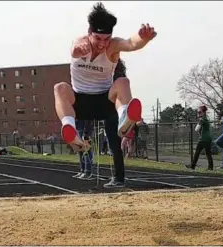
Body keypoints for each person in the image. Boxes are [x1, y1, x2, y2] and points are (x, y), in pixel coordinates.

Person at [53, 2, 157, 188]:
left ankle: (125, 118)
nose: (102, 44)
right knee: (60, 87)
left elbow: (131, 43)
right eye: (98, 39)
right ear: (89, 32)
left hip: (105, 100)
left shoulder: (113, 46)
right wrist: (79, 51)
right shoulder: (80, 42)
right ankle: (69, 129)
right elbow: (74, 50)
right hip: (80, 101)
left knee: (122, 82)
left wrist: (144, 38)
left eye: (106, 39)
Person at [186, 106, 214, 170]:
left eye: (199, 112)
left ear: (204, 112)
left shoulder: (202, 119)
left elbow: (196, 129)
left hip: (203, 139)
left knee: (197, 152)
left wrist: (196, 123)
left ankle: (192, 166)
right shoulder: (205, 118)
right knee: (208, 153)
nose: (198, 114)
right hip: (208, 138)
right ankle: (210, 167)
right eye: (198, 112)